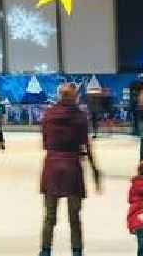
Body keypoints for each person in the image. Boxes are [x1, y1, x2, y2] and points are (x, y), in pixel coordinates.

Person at [38, 84, 102, 256]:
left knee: (49, 217)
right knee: (74, 217)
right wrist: (95, 170)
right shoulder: (80, 116)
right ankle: (77, 252)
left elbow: (45, 142)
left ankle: (45, 251)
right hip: (72, 168)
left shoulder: (49, 114)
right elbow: (86, 145)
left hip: (52, 167)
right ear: (74, 96)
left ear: (59, 95)